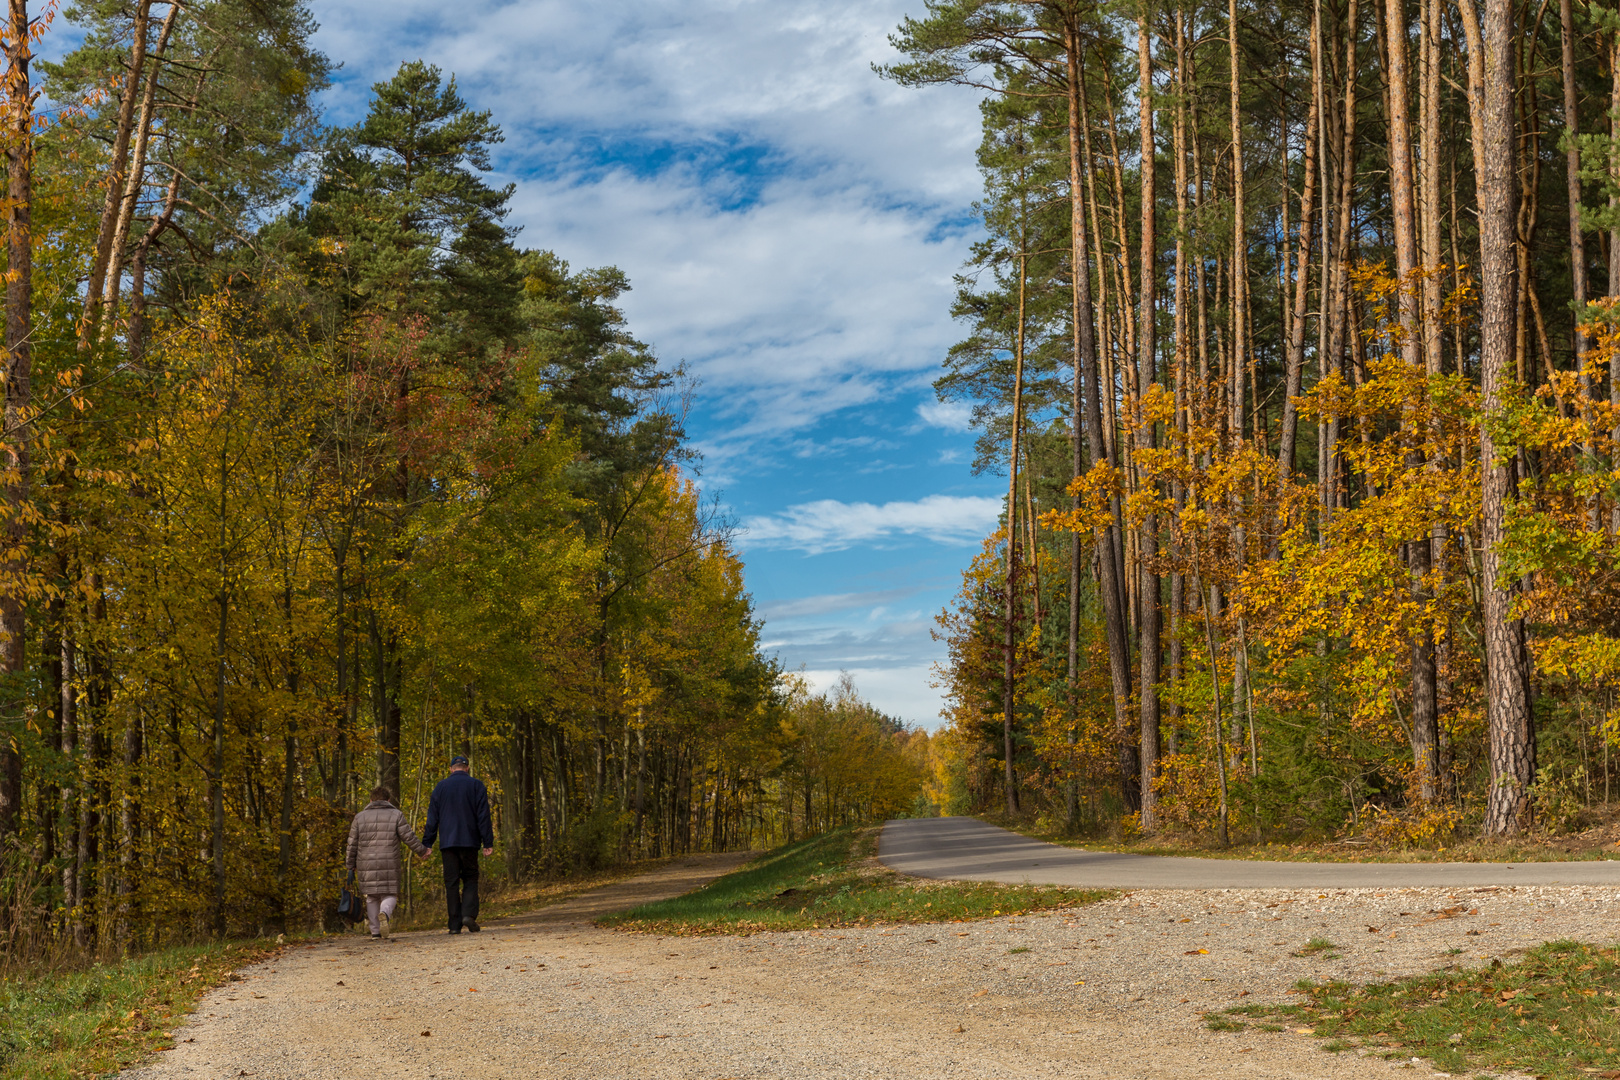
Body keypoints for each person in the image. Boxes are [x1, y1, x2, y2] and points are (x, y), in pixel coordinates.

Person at [421, 754, 494, 934]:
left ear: (451, 769)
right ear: (467, 768)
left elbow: (432, 818)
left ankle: (454, 925)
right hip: (470, 841)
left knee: (451, 882)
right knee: (470, 877)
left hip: (448, 843)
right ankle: (468, 914)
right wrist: (487, 842)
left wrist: (427, 843)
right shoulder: (477, 785)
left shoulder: (440, 787)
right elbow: (483, 816)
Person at [345, 785, 429, 940]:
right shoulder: (396, 814)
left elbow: (352, 843)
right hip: (390, 861)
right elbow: (408, 837)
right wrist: (422, 851)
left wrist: (350, 864)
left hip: (366, 863)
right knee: (389, 893)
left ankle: (375, 931)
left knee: (371, 896)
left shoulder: (359, 817)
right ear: (388, 799)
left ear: (371, 800)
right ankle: (384, 913)